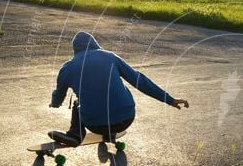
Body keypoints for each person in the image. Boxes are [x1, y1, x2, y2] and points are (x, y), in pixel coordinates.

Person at [48, 31, 188, 146]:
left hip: (95, 124)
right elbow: (140, 81)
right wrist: (170, 100)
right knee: (115, 89)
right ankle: (109, 133)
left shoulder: (67, 68)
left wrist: (54, 103)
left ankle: (75, 135)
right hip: (126, 118)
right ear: (95, 44)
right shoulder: (110, 57)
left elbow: (59, 95)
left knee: (78, 103)